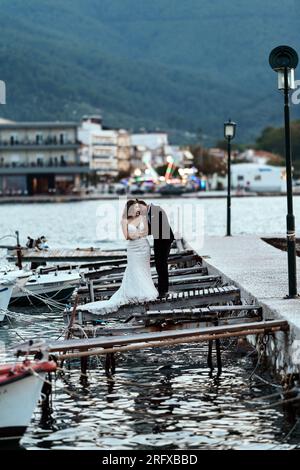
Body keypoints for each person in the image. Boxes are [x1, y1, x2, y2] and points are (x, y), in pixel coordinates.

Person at [78, 200, 158, 315]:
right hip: (133, 249)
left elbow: (146, 231)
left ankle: (147, 290)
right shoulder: (124, 220)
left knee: (144, 269)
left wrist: (139, 233)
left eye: (137, 207)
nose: (137, 209)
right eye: (134, 207)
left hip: (144, 247)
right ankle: (136, 293)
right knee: (134, 269)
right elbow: (127, 236)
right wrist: (139, 234)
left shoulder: (141, 218)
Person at [137, 200, 174, 298]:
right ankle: (162, 289)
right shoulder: (150, 212)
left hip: (165, 240)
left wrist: (143, 232)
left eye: (141, 209)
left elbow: (155, 228)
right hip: (159, 240)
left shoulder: (156, 210)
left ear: (145, 205)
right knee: (159, 265)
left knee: (162, 265)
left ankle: (163, 290)